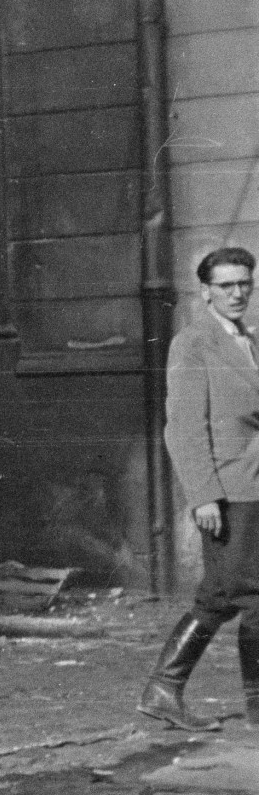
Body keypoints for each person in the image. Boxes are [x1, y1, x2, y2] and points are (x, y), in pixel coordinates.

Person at [137, 246, 259, 733]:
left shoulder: (248, 341)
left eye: (245, 283)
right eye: (226, 285)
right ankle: (251, 704)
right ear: (206, 291)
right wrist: (203, 494)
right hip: (228, 491)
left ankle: (163, 691)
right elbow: (184, 427)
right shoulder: (193, 343)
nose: (237, 293)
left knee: (224, 595)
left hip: (253, 484)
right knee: (247, 596)